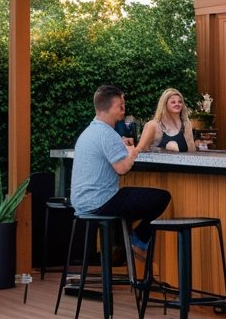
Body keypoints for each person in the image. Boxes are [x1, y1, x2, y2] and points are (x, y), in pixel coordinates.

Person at [70, 84, 170, 255]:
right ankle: (137, 239)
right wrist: (132, 151)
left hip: (81, 203)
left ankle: (124, 241)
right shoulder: (107, 134)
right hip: (101, 203)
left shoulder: (91, 131)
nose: (123, 109)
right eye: (120, 105)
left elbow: (107, 149)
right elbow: (122, 168)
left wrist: (121, 145)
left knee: (128, 199)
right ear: (107, 108)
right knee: (162, 197)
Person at [138, 88, 196, 153]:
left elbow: (192, 151)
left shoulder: (186, 124)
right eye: (173, 102)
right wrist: (162, 149)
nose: (177, 104)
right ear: (164, 104)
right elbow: (140, 150)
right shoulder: (153, 125)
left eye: (180, 102)